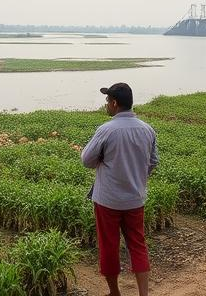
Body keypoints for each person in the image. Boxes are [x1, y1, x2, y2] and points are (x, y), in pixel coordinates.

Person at [81, 82, 159, 296]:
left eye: (107, 101)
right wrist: (136, 177)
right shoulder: (147, 129)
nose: (106, 104)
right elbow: (153, 162)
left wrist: (104, 162)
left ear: (114, 104)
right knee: (138, 244)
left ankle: (115, 293)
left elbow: (87, 160)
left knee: (109, 246)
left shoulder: (106, 130)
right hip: (135, 199)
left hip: (108, 201)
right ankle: (144, 294)